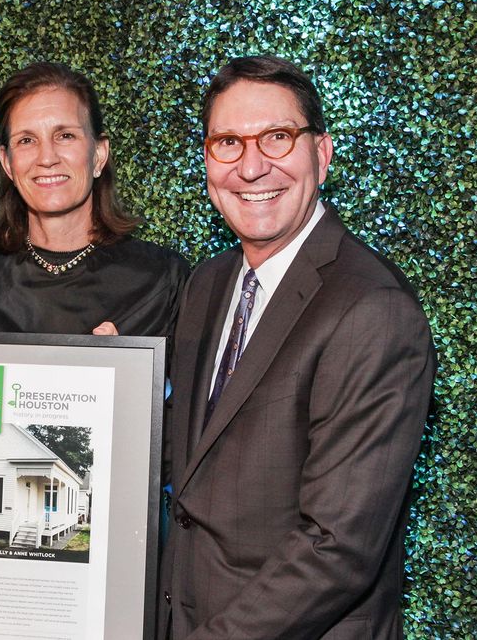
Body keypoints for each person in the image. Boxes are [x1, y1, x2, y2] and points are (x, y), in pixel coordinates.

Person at [159, 56, 436, 639]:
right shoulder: (207, 284)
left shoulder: (373, 309)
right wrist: (107, 391)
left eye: (277, 137)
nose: (251, 166)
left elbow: (337, 547)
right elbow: (190, 459)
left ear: (322, 154)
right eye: (227, 143)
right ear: (207, 161)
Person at [0, 62, 188, 336]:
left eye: (65, 136)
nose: (47, 158)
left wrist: (125, 362)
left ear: (98, 155)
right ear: (8, 163)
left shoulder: (160, 278)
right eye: (26, 140)